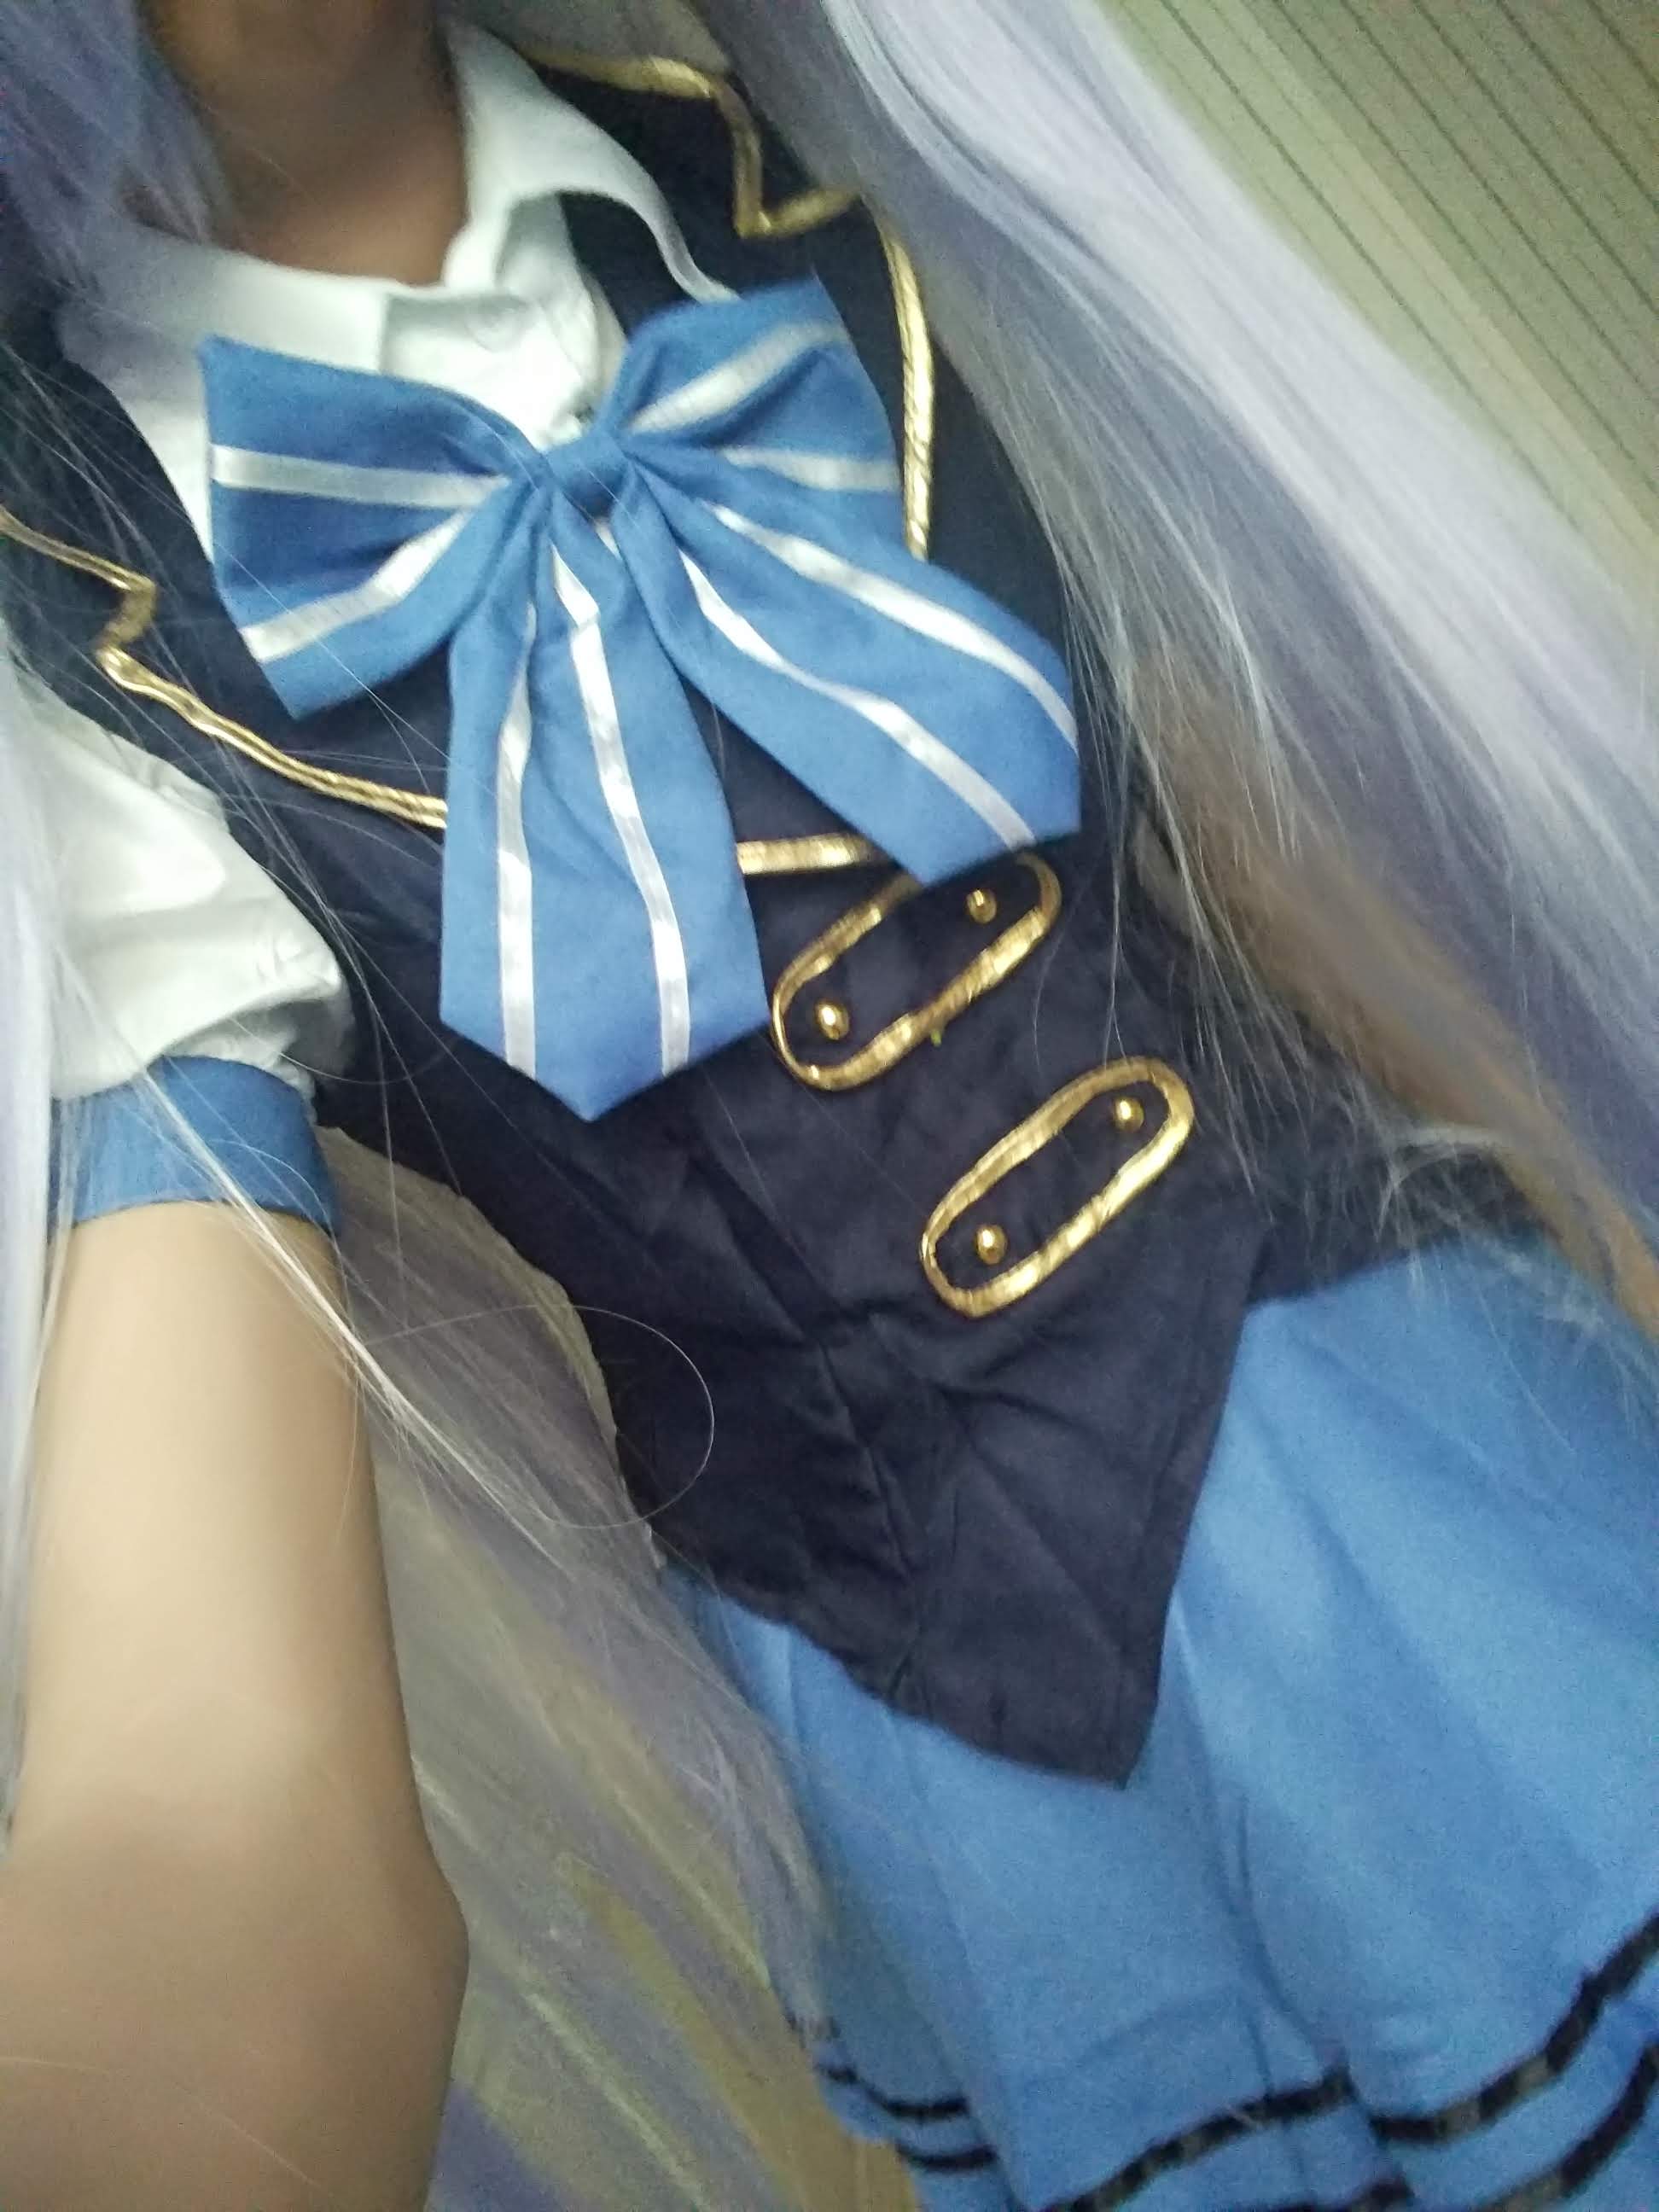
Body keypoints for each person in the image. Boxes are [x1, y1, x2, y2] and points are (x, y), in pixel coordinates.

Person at [0, 2, 1654, 2206]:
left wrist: (1609, 1227)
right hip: (951, 1737)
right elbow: (206, 1792)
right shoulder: (62, 612)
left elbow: (1238, 825)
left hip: (1431, 1432)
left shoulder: (854, 178)